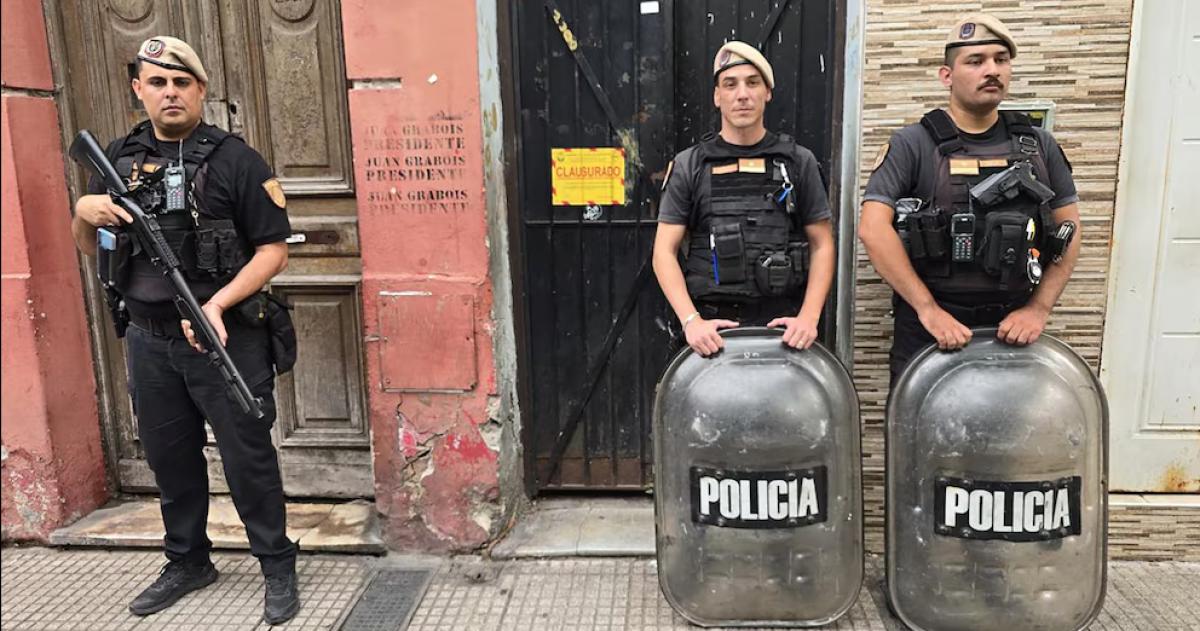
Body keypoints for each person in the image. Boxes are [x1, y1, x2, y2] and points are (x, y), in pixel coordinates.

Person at [69, 36, 300, 625]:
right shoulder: (117, 158)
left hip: (225, 336)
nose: (169, 92)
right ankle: (188, 561)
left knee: (248, 458)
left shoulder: (236, 161)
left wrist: (217, 305)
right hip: (149, 339)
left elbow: (274, 251)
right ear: (138, 89)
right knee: (169, 458)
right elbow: (94, 249)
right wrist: (83, 213)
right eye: (157, 82)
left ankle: (276, 562)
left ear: (200, 90)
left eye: (181, 82)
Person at [857, 14, 1082, 385]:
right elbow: (872, 229)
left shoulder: (1039, 145)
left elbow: (1069, 231)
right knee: (917, 423)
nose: (991, 70)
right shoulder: (913, 144)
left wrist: (1038, 309)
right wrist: (928, 310)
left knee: (1007, 421)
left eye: (1000, 59)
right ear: (947, 75)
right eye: (976, 61)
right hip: (931, 328)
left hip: (1013, 326)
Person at [653, 41, 835, 357]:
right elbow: (663, 252)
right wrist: (691, 321)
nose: (742, 95)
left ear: (768, 92)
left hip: (782, 333)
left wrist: (808, 317)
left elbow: (822, 244)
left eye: (753, 83)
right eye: (730, 84)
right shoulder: (690, 164)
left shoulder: (798, 162)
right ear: (717, 96)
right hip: (710, 334)